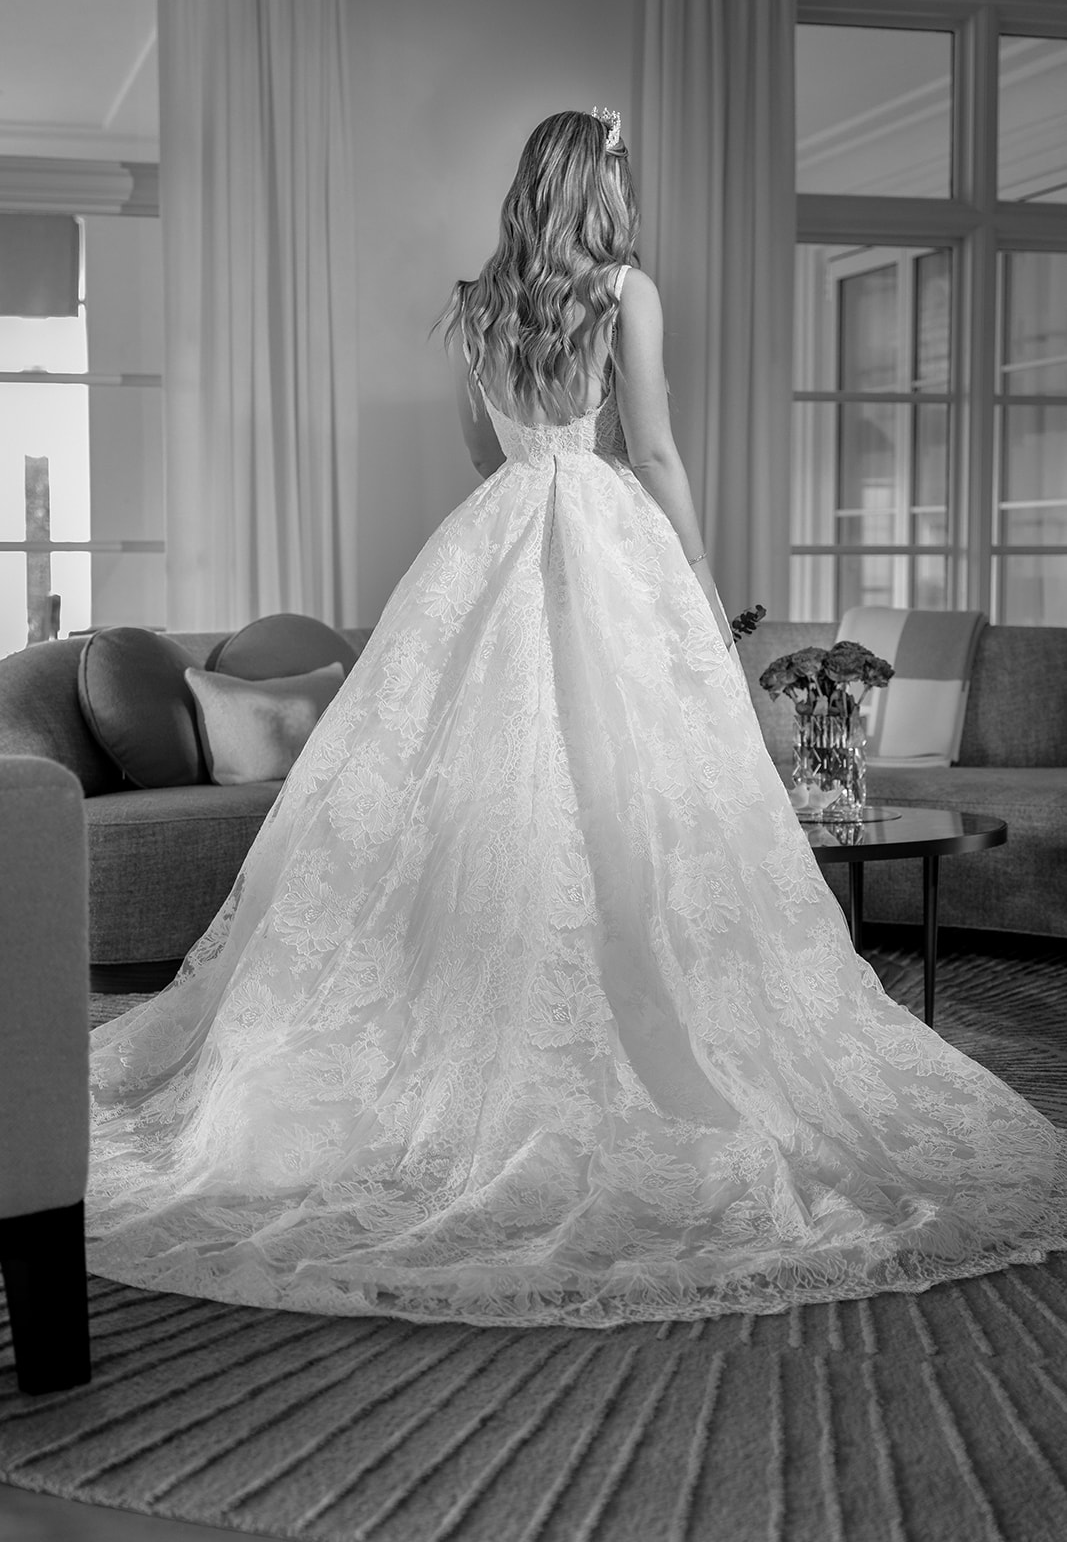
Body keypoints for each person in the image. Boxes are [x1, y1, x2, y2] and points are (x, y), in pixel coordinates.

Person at [85, 110, 1067, 1327]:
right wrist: (700, 593)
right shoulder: (622, 291)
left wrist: (528, 496)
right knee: (615, 788)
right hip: (602, 538)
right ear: (590, 181)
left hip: (493, 543)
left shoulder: (484, 301)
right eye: (617, 166)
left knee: (484, 794)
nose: (626, 182)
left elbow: (478, 453)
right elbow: (652, 450)